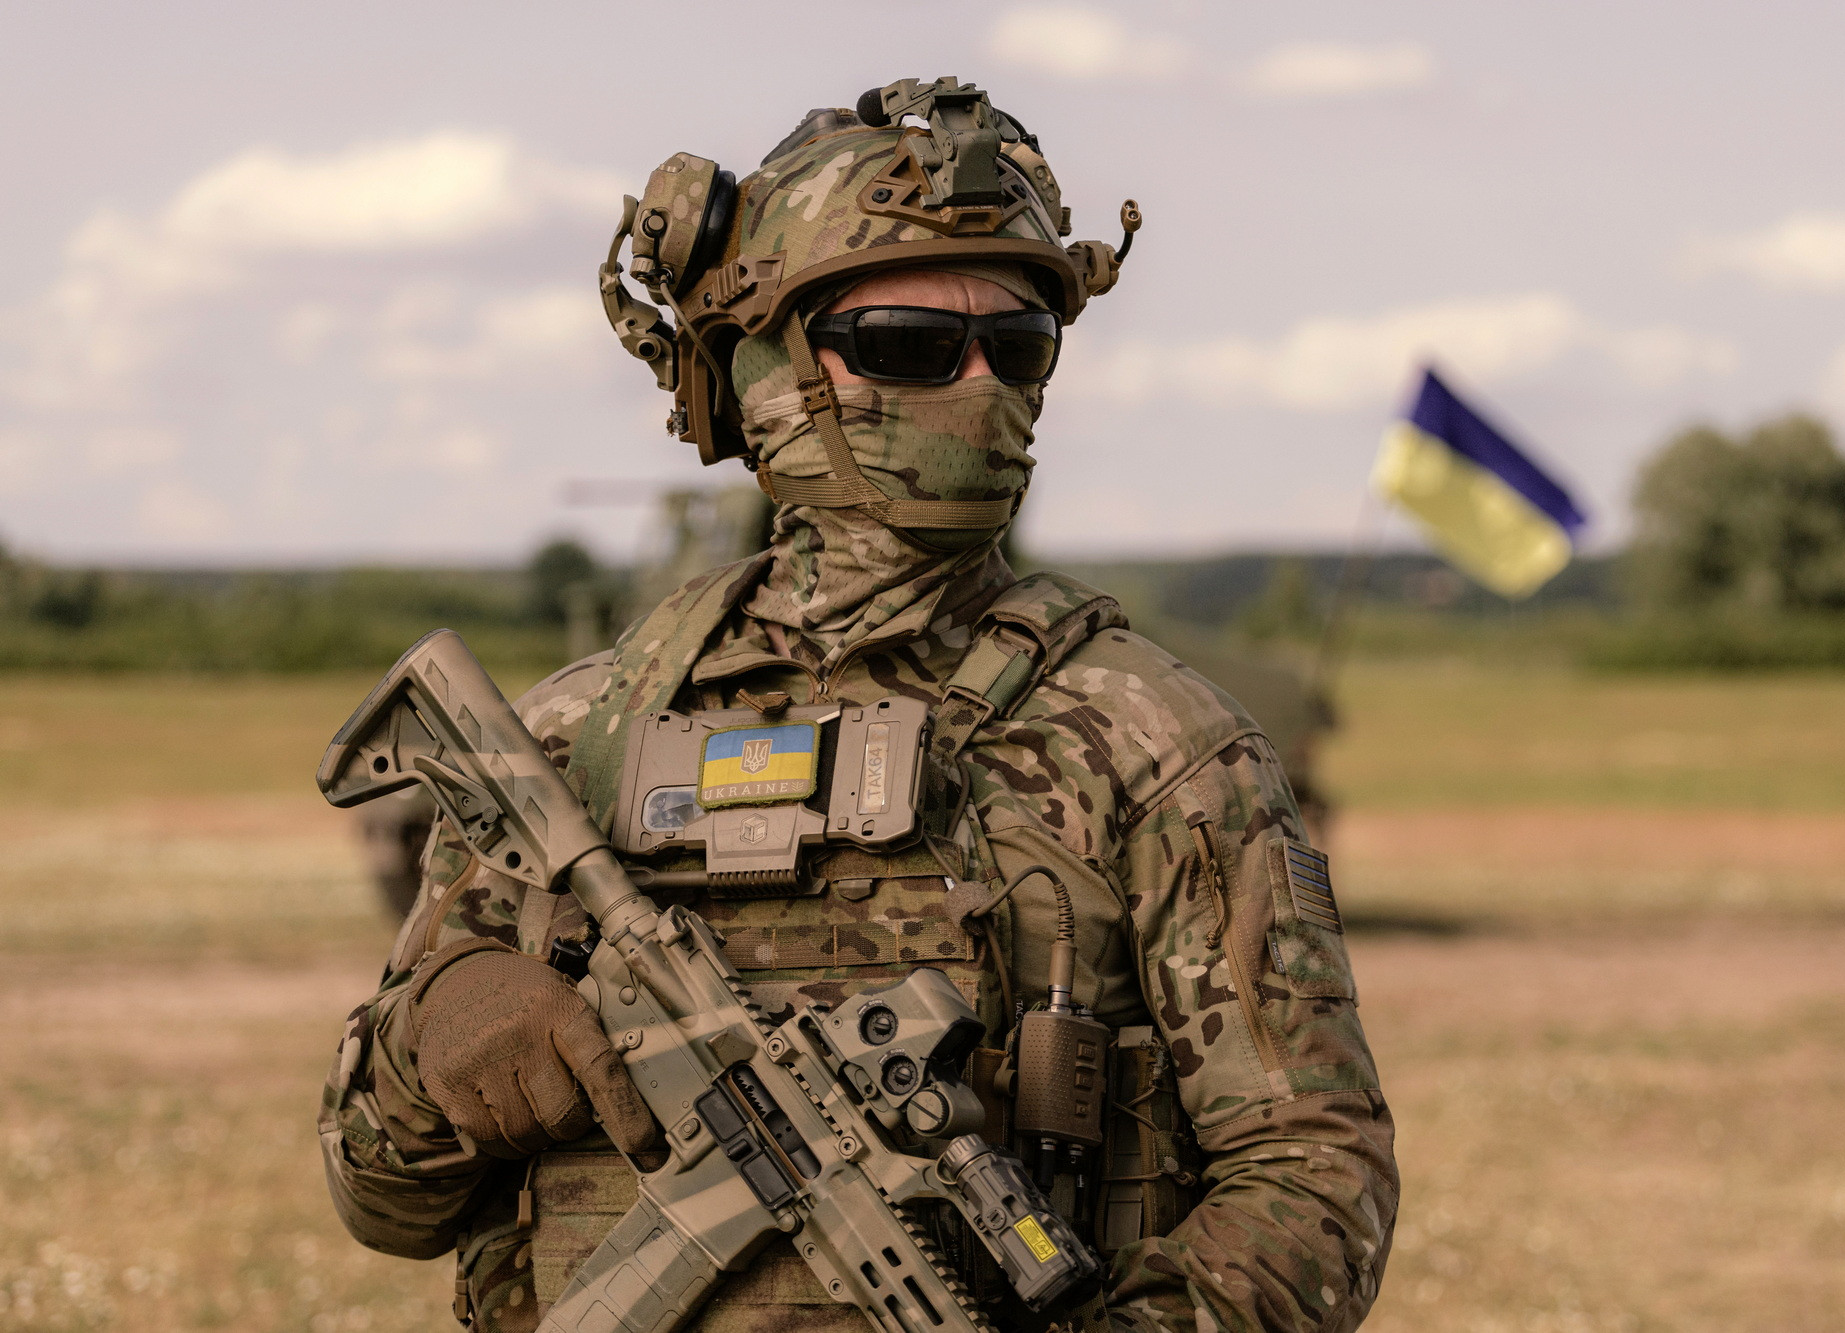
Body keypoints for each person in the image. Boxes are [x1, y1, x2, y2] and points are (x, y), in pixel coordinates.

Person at [319, 80, 1397, 1333]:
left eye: (1021, 343)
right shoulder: (567, 743)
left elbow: (1315, 1176)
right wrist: (433, 1038)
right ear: (762, 361)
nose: (978, 384)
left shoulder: (1154, 741)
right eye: (904, 341)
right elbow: (381, 1199)